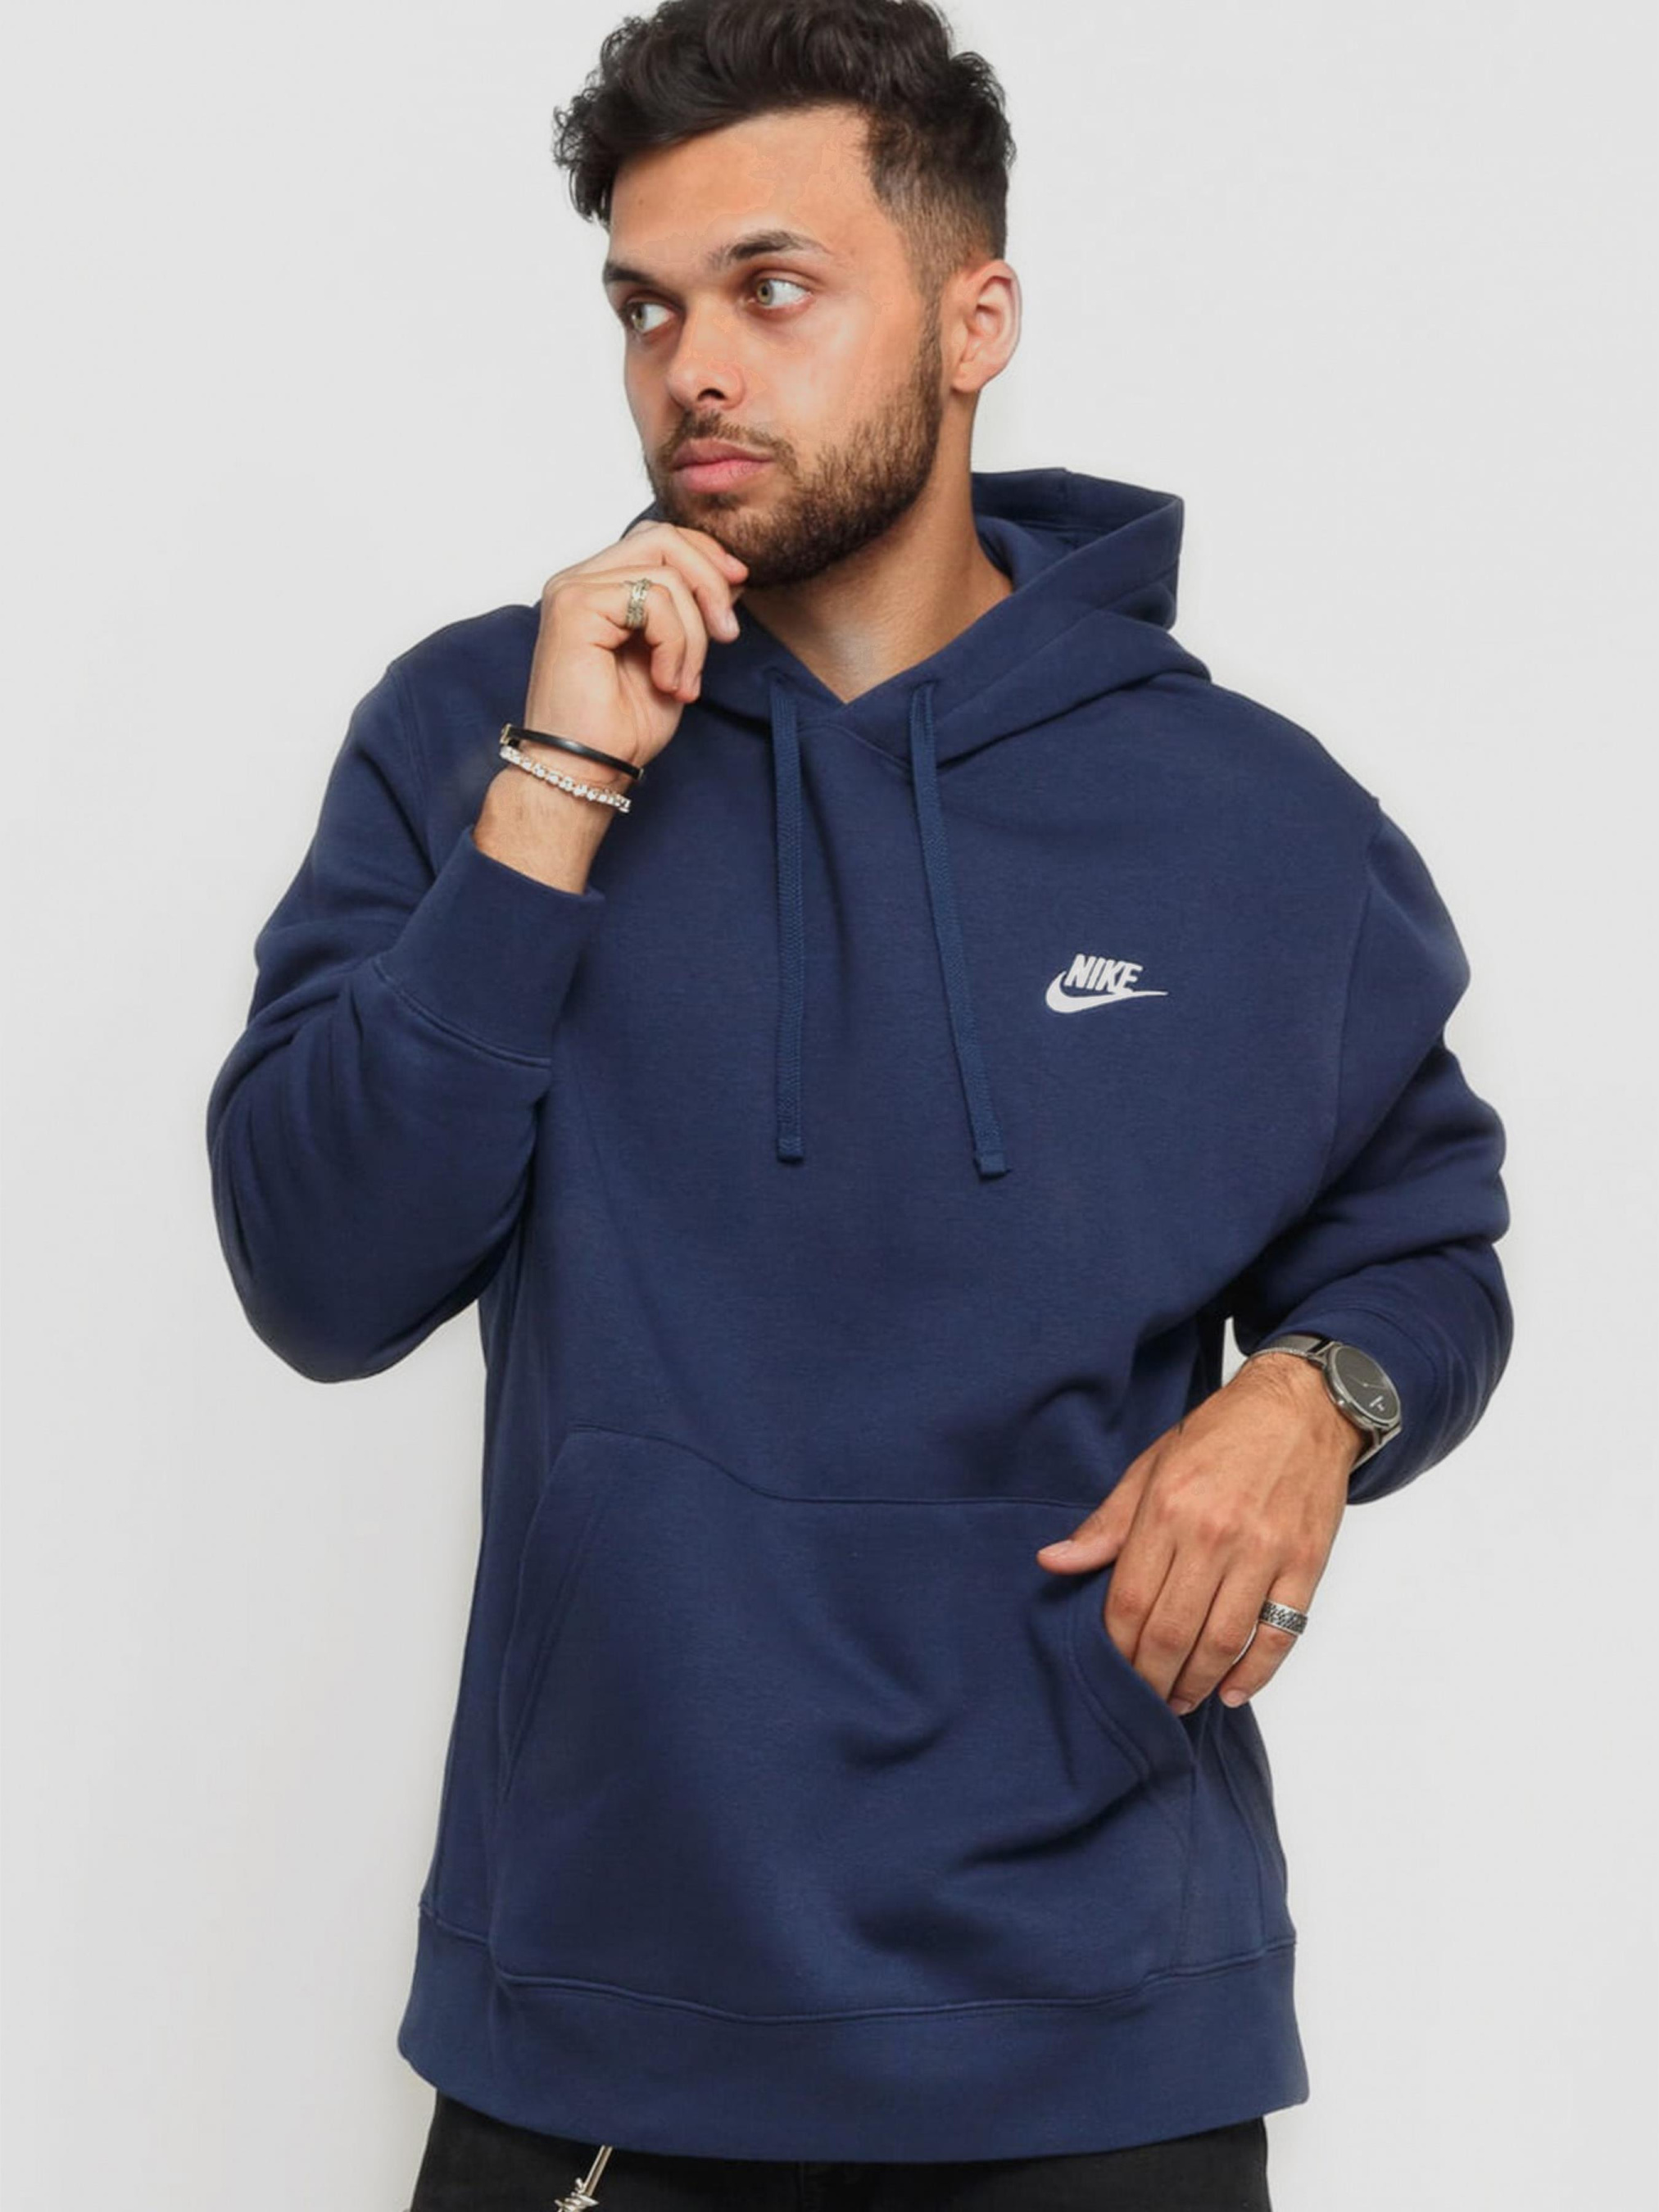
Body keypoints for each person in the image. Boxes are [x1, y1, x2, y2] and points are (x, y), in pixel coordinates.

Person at [204, 2, 1515, 2205]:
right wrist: (557, 789)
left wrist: (1317, 1397)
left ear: (973, 318)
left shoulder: (1247, 818)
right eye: (647, 306)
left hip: (1104, 2041)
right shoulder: (478, 733)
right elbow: (319, 1278)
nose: (692, 368)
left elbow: (1425, 1242)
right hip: (607, 2022)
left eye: (772, 288)